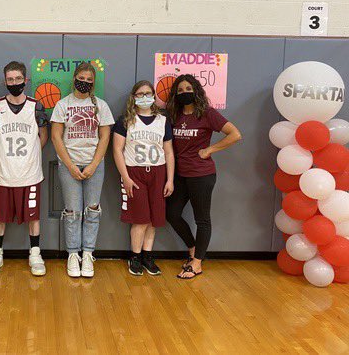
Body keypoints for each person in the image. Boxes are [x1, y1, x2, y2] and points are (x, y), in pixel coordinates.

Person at [165, 74, 242, 279]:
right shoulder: (174, 114)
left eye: (188, 89)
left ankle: (197, 264)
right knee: (171, 214)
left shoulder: (207, 113)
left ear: (196, 90)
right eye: (180, 90)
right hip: (180, 174)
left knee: (202, 220)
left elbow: (235, 134)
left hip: (201, 174)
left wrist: (210, 150)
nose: (184, 93)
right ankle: (192, 250)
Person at [51, 62, 114, 278]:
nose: (84, 82)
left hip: (94, 165)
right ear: (74, 78)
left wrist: (94, 164)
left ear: (93, 82)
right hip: (69, 165)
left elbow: (105, 136)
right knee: (73, 212)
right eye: (82, 78)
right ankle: (72, 254)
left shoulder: (101, 106)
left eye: (89, 80)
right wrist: (70, 165)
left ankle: (87, 253)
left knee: (93, 210)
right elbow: (56, 137)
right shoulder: (62, 105)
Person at [0, 61, 49, 276]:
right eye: (10, 79)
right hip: (4, 173)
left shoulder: (36, 106)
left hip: (30, 173)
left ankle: (35, 253)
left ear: (25, 80)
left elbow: (43, 138)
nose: (14, 83)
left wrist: (29, 156)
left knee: (33, 216)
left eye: (18, 79)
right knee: (0, 216)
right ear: (5, 81)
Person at [112, 80, 175, 276]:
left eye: (148, 93)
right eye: (140, 94)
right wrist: (126, 177)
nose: (144, 97)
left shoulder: (162, 121)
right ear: (134, 97)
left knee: (153, 220)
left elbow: (169, 152)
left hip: (158, 171)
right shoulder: (125, 120)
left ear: (154, 96)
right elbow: (117, 150)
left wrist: (170, 179)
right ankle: (135, 257)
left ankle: (148, 255)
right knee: (139, 219)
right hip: (134, 172)